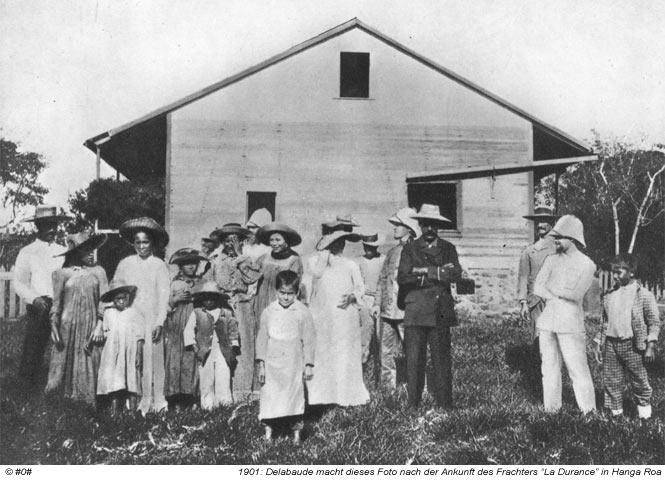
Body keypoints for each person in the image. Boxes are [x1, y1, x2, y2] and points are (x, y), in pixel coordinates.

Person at [397, 204, 462, 408]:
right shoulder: (410, 248)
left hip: (440, 311)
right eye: (425, 224)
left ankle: (445, 405)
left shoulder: (448, 248)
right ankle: (413, 405)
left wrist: (423, 271)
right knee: (414, 360)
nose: (429, 229)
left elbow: (455, 273)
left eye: (434, 225)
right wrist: (437, 273)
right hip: (415, 311)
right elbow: (404, 277)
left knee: (442, 360)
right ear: (420, 224)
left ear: (438, 226)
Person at [533, 214, 596, 413]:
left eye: (560, 237)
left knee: (577, 367)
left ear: (573, 238)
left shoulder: (587, 264)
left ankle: (588, 411)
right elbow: (538, 288)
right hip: (547, 321)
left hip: (570, 323)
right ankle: (551, 409)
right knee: (548, 368)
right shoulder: (551, 260)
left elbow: (576, 294)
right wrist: (558, 292)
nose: (556, 240)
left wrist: (553, 289)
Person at [306, 229, 370, 407]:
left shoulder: (350, 264)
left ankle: (345, 395)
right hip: (322, 316)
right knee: (323, 353)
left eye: (341, 242)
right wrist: (323, 258)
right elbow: (312, 281)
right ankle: (321, 396)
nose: (338, 246)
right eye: (334, 242)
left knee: (344, 353)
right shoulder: (315, 262)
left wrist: (352, 296)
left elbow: (360, 288)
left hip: (344, 316)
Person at [113, 217, 171, 414]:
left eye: (145, 242)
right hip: (131, 315)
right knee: (133, 357)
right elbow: (116, 288)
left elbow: (164, 297)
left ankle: (157, 401)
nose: (141, 246)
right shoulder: (125, 264)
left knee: (153, 358)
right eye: (138, 242)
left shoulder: (159, 265)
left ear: (152, 243)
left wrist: (159, 321)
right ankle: (133, 400)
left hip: (152, 316)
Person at [593, 254, 661, 419]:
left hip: (633, 345)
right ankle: (616, 415)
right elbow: (604, 322)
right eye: (613, 272)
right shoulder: (609, 295)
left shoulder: (643, 295)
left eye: (619, 272)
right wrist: (598, 343)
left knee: (639, 380)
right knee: (612, 380)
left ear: (631, 272)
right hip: (611, 344)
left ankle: (644, 415)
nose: (615, 276)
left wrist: (650, 345)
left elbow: (654, 322)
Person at [45, 232, 108, 405]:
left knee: (91, 359)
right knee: (63, 362)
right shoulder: (61, 273)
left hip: (91, 325)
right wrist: (54, 326)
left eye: (92, 249)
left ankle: (91, 401)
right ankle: (61, 402)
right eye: (85, 250)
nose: (90, 253)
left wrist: (100, 325)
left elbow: (105, 301)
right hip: (68, 326)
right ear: (74, 252)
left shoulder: (99, 272)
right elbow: (56, 304)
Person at [13, 205, 70, 388]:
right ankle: (27, 385)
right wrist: (35, 299)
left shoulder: (63, 250)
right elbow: (19, 283)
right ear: (38, 226)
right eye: (47, 225)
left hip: (61, 302)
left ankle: (60, 385)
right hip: (41, 304)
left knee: (63, 344)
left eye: (54, 224)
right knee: (34, 345)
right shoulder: (28, 252)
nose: (52, 229)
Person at [256, 270, 315, 443]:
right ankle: (268, 433)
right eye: (282, 293)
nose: (286, 297)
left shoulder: (302, 312)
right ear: (276, 291)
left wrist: (308, 364)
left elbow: (309, 339)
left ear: (296, 293)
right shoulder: (269, 311)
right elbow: (262, 338)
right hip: (272, 364)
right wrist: (261, 364)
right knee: (270, 397)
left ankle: (296, 435)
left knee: (294, 398)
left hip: (293, 364)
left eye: (290, 294)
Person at [211, 223, 262, 400]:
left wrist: (240, 256)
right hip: (224, 305)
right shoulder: (217, 261)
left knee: (244, 346)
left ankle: (242, 392)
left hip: (242, 305)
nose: (230, 245)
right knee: (224, 345)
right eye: (227, 241)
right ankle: (223, 394)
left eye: (235, 241)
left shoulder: (247, 259)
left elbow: (253, 277)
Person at [376, 208, 421, 387]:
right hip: (387, 310)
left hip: (406, 309)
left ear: (408, 228)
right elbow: (382, 279)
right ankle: (387, 389)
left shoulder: (416, 252)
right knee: (385, 351)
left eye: (398, 225)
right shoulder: (392, 252)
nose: (394, 228)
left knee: (412, 350)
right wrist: (376, 303)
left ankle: (417, 388)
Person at [516, 206, 558, 396]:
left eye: (544, 221)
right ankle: (540, 387)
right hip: (536, 303)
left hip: (555, 301)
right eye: (537, 221)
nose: (540, 225)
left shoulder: (558, 248)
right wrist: (523, 302)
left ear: (552, 223)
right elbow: (523, 277)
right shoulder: (529, 251)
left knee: (557, 342)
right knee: (540, 342)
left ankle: (557, 386)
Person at [164, 248, 208, 410]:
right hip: (177, 326)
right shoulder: (174, 283)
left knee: (192, 359)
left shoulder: (202, 282)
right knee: (176, 360)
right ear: (180, 266)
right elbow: (165, 307)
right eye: (187, 263)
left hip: (195, 323)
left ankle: (192, 399)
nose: (191, 266)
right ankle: (175, 399)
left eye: (194, 263)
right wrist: (174, 300)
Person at [183, 281, 239, 409]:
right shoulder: (197, 312)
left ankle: (224, 405)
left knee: (223, 376)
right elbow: (188, 330)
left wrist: (233, 345)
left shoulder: (226, 312)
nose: (209, 301)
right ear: (201, 299)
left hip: (223, 350)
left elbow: (233, 329)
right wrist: (194, 346)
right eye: (205, 298)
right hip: (205, 350)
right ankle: (207, 406)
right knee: (206, 379)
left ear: (218, 298)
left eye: (212, 298)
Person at [97, 280, 144, 414]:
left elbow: (140, 336)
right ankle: (114, 411)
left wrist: (138, 354)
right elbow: (105, 333)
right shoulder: (108, 313)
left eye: (125, 298)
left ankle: (133, 411)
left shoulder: (133, 313)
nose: (122, 301)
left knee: (131, 380)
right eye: (118, 298)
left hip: (129, 351)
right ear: (113, 299)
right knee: (114, 380)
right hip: (113, 352)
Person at [251, 222, 304, 320]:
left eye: (278, 240)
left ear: (286, 242)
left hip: (281, 303)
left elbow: (295, 285)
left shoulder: (294, 260)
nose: (274, 243)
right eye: (272, 240)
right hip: (261, 302)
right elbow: (251, 275)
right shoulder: (264, 258)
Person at [356, 233, 385, 365]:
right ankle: (363, 362)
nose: (369, 250)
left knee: (381, 333)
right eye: (366, 246)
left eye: (372, 247)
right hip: (364, 299)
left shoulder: (383, 259)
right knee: (366, 330)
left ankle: (381, 363)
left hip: (380, 299)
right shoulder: (358, 261)